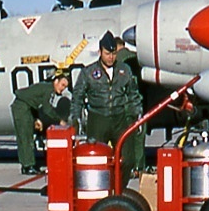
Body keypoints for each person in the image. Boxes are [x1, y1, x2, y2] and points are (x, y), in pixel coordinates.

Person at [69, 31, 144, 182]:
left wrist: (138, 115)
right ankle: (101, 191)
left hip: (119, 118)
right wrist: (75, 118)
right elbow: (77, 96)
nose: (111, 57)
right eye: (107, 53)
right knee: (97, 159)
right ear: (100, 52)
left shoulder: (124, 70)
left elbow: (133, 94)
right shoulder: (88, 72)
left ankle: (118, 191)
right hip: (98, 118)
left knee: (127, 159)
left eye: (114, 53)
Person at [11, 68, 71, 175]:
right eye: (62, 85)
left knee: (26, 136)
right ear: (56, 82)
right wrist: (59, 120)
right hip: (22, 107)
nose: (63, 89)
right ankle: (28, 165)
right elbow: (47, 109)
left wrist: (37, 119)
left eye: (65, 87)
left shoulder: (47, 88)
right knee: (26, 136)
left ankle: (27, 164)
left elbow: (36, 102)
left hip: (27, 107)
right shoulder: (49, 90)